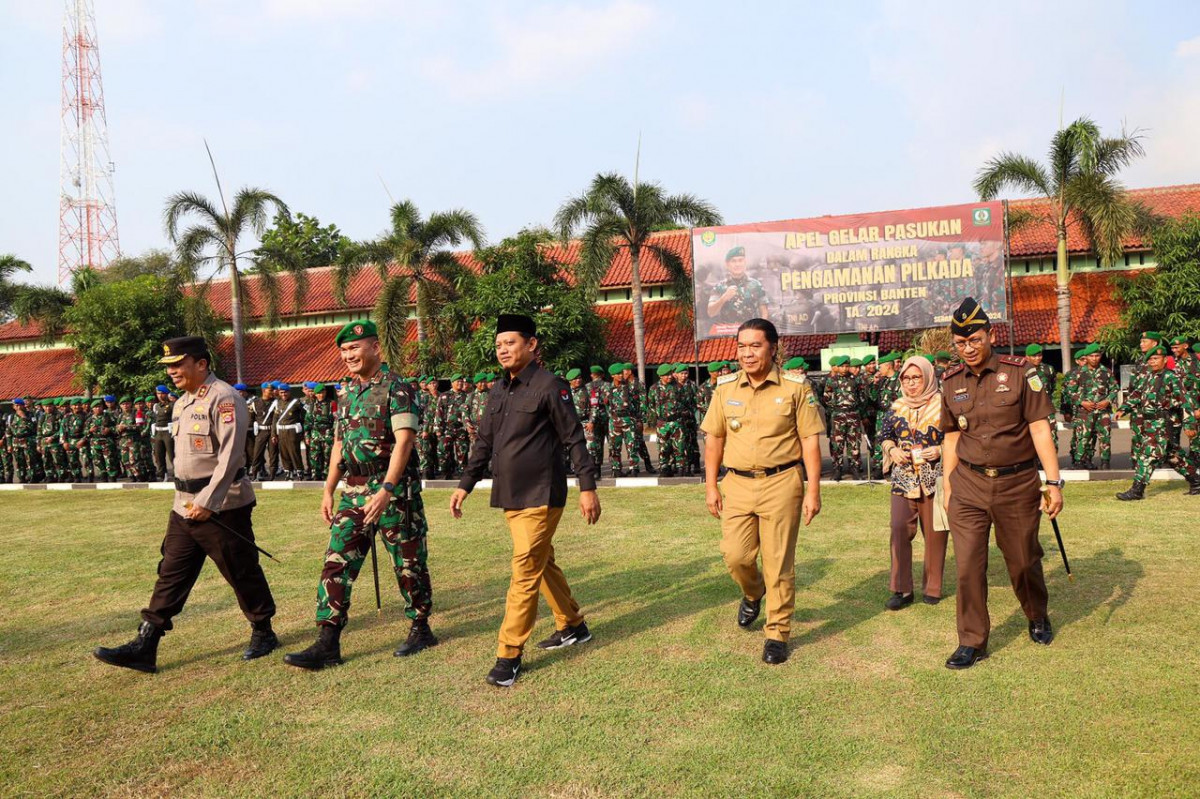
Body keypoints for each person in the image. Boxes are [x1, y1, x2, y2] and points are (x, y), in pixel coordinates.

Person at [93, 336, 277, 673]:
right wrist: (189, 501)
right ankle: (145, 643)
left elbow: (231, 455)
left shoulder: (224, 398)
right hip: (184, 506)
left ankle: (263, 631)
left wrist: (209, 501)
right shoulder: (182, 402)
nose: (172, 371)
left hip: (223, 506)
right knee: (170, 574)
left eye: (178, 364)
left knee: (240, 569)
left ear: (201, 363)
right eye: (169, 366)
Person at [450, 313, 601, 688]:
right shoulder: (499, 390)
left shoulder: (551, 386)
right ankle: (573, 625)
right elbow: (484, 441)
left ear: (531, 345)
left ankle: (509, 653)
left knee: (524, 571)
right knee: (541, 562)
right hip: (510, 496)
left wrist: (587, 487)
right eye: (499, 344)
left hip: (541, 494)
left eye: (510, 343)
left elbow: (573, 438)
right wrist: (465, 484)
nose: (503, 349)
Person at [284, 320, 436, 670]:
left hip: (395, 493)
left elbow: (404, 442)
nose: (348, 355)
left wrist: (386, 489)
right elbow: (340, 443)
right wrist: (327, 489)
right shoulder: (348, 392)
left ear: (375, 348)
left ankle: (420, 626)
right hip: (352, 491)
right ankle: (328, 640)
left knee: (408, 563)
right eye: (344, 351)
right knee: (336, 561)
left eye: (354, 348)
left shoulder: (398, 388)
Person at [940, 298, 1062, 670]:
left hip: (1017, 484)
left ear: (990, 335)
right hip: (969, 486)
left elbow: (1040, 428)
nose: (968, 348)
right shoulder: (950, 382)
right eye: (961, 343)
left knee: (1023, 560)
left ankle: (1036, 614)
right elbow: (950, 439)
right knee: (967, 567)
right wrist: (948, 488)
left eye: (974, 339)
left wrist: (1053, 482)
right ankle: (972, 640)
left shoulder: (1022, 373)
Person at [701, 318, 823, 665]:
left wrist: (813, 490)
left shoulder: (796, 388)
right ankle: (753, 593)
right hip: (737, 483)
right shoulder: (725, 389)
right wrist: (711, 485)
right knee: (735, 556)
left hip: (782, 483)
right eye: (742, 346)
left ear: (773, 348)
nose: (747, 353)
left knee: (778, 562)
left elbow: (810, 441)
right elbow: (715, 439)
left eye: (755, 346)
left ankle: (777, 632)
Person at [879, 356, 948, 609]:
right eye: (906, 378)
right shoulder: (897, 405)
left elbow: (958, 436)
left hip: (934, 478)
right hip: (903, 478)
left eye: (916, 378)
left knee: (935, 533)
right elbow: (885, 435)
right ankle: (901, 589)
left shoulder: (944, 404)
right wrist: (892, 449)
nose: (911, 384)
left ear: (928, 377)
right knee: (899, 529)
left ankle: (932, 587)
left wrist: (940, 449)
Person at [1114, 345, 1200, 500]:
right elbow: (1137, 394)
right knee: (1174, 456)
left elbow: (1185, 401)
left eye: (1156, 358)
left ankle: (1137, 490)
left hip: (1163, 423)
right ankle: (1197, 482)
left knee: (1148, 454)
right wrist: (1123, 409)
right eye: (1151, 359)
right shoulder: (1147, 377)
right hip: (1150, 423)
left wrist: (1190, 424)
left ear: (1165, 360)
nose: (1153, 362)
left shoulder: (1171, 377)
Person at [824, 356, 863, 480]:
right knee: (837, 444)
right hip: (838, 416)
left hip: (853, 415)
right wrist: (836, 408)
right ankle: (837, 469)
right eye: (842, 366)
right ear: (838, 367)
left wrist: (855, 409)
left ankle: (855, 468)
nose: (845, 368)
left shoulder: (856, 380)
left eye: (847, 366)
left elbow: (862, 397)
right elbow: (826, 397)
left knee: (854, 443)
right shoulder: (832, 380)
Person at [707, 246, 768, 323]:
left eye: (740, 260)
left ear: (745, 263)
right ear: (727, 265)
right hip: (727, 332)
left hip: (750, 331)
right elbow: (711, 313)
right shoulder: (719, 286)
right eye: (733, 261)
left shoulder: (756, 285)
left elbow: (764, 312)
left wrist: (760, 329)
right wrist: (724, 298)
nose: (737, 264)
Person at [1024, 345, 1059, 454]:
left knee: (1051, 435)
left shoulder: (1048, 369)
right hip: (1029, 409)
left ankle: (1051, 460)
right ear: (1027, 357)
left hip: (1046, 409)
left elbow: (1053, 386)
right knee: (1028, 438)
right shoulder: (1021, 369)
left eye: (1039, 355)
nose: (1037, 358)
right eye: (1034, 356)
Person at [273, 383, 306, 479]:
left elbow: (304, 416)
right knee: (284, 453)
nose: (283, 394)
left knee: (294, 452)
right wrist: (273, 434)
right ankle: (288, 472)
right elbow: (275, 419)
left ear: (289, 392)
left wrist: (302, 431)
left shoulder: (296, 402)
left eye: (285, 392)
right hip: (281, 431)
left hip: (292, 431)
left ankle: (299, 471)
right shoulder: (277, 403)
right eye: (281, 392)